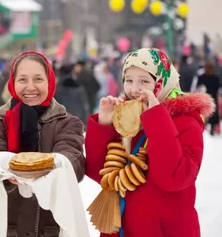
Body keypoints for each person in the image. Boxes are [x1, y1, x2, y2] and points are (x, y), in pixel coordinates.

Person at [85, 48, 214, 237]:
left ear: (162, 82)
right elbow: (101, 174)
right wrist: (104, 123)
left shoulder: (186, 122)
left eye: (144, 81)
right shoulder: (124, 117)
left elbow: (174, 178)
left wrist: (155, 118)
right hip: (122, 229)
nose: (134, 88)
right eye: (129, 80)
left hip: (166, 231)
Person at [0, 51, 86, 237]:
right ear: (12, 83)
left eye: (38, 79)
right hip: (9, 229)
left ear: (50, 82)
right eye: (22, 80)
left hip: (50, 229)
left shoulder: (68, 123)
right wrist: (4, 170)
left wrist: (49, 167)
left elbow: (73, 162)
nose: (30, 87)